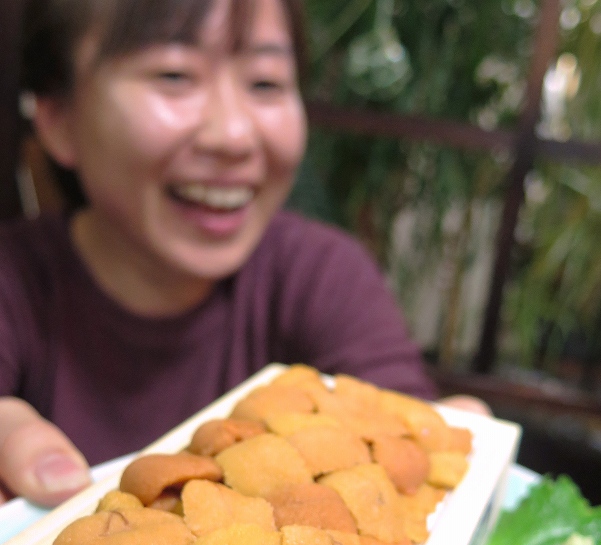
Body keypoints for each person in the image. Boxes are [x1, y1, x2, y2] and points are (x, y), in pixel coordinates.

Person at [0, 0, 484, 509]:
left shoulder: (323, 273)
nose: (234, 135)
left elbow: (409, 438)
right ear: (57, 119)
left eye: (265, 83)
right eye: (174, 75)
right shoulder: (14, 281)